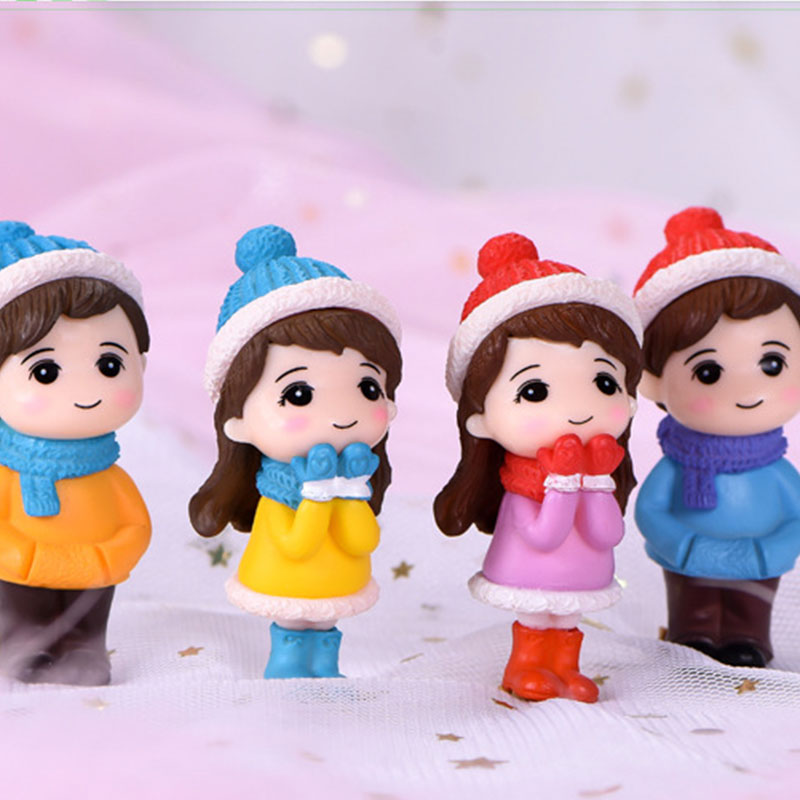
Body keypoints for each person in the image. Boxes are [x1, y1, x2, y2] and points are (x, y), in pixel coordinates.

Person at [434, 232, 642, 702]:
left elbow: (609, 532)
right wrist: (565, 484)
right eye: (535, 392)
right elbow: (544, 535)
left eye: (603, 383)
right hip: (529, 569)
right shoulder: (521, 487)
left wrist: (594, 483)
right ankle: (526, 666)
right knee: (537, 616)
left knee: (566, 619)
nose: (577, 409)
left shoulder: (598, 471)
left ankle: (566, 669)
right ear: (482, 418)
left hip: (584, 571)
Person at [189, 224, 402, 679]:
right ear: (239, 421)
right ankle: (287, 664)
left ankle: (325, 666)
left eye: (368, 388)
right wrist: (319, 495)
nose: (342, 413)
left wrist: (349, 494)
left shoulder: (352, 478)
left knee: (325, 624)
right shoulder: (278, 492)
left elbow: (363, 539)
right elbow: (295, 544)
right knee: (293, 623)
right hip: (284, 577)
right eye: (299, 395)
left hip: (337, 580)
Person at [634, 206, 800, 667]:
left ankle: (749, 639)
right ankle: (694, 635)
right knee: (695, 606)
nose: (747, 390)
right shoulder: (677, 465)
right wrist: (684, 544)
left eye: (772, 364)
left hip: (757, 561)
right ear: (653, 382)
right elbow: (650, 510)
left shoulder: (774, 468)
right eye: (708, 372)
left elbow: (797, 515)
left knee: (750, 608)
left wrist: (772, 548)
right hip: (690, 560)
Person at [0, 221, 151, 685]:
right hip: (23, 574)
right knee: (25, 615)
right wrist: (23, 555)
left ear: (141, 365)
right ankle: (24, 646)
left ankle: (86, 650)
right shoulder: (9, 472)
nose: (86, 390)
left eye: (109, 365)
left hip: (94, 574)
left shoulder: (107, 474)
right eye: (45, 372)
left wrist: (110, 555)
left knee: (87, 625)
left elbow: (137, 524)